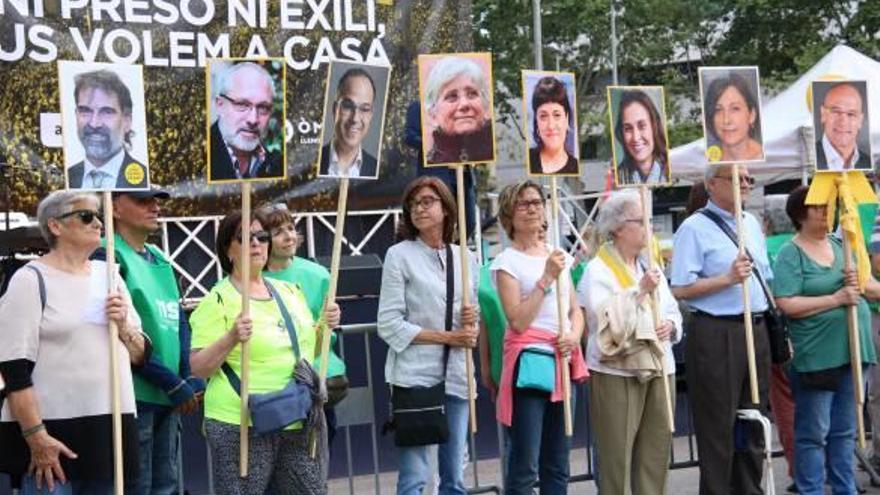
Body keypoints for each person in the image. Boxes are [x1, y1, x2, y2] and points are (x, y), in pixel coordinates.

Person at [0, 190, 147, 494]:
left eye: (98, 216)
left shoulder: (109, 274)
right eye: (86, 216)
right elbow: (13, 368)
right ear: (55, 226)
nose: (97, 223)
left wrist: (123, 326)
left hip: (110, 434)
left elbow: (140, 355)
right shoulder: (30, 279)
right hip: (54, 438)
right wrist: (37, 436)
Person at [188, 210, 340, 495]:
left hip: (294, 414)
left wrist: (324, 328)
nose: (256, 243)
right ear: (228, 250)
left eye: (261, 236)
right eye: (245, 238)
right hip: (240, 422)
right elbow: (199, 367)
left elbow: (307, 352)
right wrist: (231, 337)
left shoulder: (290, 291)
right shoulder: (217, 299)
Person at [94, 187, 204, 495]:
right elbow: (118, 331)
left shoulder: (159, 256)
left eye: (157, 200)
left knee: (165, 487)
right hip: (134, 396)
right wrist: (171, 382)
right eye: (143, 201)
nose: (155, 206)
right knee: (137, 488)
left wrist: (186, 376)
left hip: (167, 396)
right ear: (114, 208)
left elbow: (178, 319)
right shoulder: (106, 253)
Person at [670, 163, 772, 494]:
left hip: (754, 328)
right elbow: (680, 287)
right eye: (737, 178)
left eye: (748, 178)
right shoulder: (694, 228)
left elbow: (764, 278)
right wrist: (727, 279)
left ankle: (749, 489)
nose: (745, 184)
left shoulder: (752, 223)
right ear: (712, 184)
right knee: (718, 428)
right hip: (717, 331)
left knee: (753, 422)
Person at [773, 185, 880, 493]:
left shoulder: (840, 243)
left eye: (829, 206)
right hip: (817, 356)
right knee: (814, 432)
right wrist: (835, 299)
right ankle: (811, 489)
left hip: (853, 350)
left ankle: (844, 487)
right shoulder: (790, 254)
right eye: (820, 207)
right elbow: (787, 303)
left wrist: (858, 288)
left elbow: (867, 285)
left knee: (845, 430)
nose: (827, 212)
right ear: (800, 214)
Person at [377, 176, 478, 495]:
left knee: (454, 477)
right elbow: (389, 324)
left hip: (458, 375)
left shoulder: (467, 258)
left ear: (446, 208)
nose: (418, 208)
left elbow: (469, 327)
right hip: (415, 377)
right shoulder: (399, 255)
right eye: (413, 203)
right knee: (415, 478)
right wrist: (448, 337)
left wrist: (470, 323)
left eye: (426, 201)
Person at [577, 189, 682, 494]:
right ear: (619, 228)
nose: (650, 228)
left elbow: (671, 307)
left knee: (656, 454)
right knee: (616, 460)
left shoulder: (649, 264)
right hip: (617, 372)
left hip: (661, 366)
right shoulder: (597, 270)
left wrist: (671, 326)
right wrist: (639, 292)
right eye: (642, 221)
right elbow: (603, 322)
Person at [491, 180, 588, 494]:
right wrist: (546, 278)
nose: (532, 207)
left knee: (557, 465)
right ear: (509, 215)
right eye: (523, 203)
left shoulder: (558, 255)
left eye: (536, 201)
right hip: (530, 363)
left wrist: (573, 336)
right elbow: (517, 320)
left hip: (562, 359)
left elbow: (576, 310)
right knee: (525, 465)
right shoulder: (507, 263)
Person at [258, 202, 347, 445]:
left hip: (316, 380)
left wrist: (330, 322)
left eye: (291, 227)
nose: (288, 236)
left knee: (317, 463)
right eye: (278, 232)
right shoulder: (253, 279)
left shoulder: (319, 275)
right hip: (274, 386)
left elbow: (329, 335)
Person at [67, 70, 148, 190]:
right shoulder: (67, 178)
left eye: (107, 112)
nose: (94, 124)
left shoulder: (146, 179)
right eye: (85, 111)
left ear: (127, 121)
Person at [209, 62, 283, 181]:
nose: (253, 119)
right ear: (220, 105)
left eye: (263, 107)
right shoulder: (197, 158)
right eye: (242, 104)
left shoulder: (276, 166)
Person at [422, 56, 494, 165]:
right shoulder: (432, 165)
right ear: (433, 114)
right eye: (452, 96)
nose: (464, 104)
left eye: (472, 94)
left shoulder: (498, 148)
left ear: (484, 104)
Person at [318, 68, 379, 178]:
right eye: (347, 106)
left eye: (364, 109)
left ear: (370, 115)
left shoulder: (378, 170)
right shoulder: (310, 164)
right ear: (334, 109)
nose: (355, 118)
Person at [703, 73, 764, 162]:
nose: (726, 120)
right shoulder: (709, 162)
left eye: (735, 109)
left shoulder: (770, 158)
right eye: (718, 110)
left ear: (752, 115)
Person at [614, 89, 669, 185]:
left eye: (642, 126)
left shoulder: (669, 170)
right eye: (628, 129)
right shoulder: (618, 177)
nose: (635, 137)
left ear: (654, 126)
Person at [527, 76, 578, 175]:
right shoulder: (528, 161)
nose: (551, 125)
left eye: (557, 115)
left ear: (567, 118)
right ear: (536, 121)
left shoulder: (575, 167)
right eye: (543, 116)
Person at [815, 82, 870, 170]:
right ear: (823, 114)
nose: (843, 122)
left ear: (860, 121)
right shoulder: (809, 160)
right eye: (836, 112)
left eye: (851, 114)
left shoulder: (867, 162)